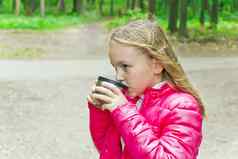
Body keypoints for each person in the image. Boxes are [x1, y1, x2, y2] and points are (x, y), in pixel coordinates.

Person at [87, 20, 205, 159]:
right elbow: (107, 148)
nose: (119, 76)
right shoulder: (128, 100)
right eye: (115, 67)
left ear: (157, 65)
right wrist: (100, 111)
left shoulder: (182, 106)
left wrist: (124, 112)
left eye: (125, 66)